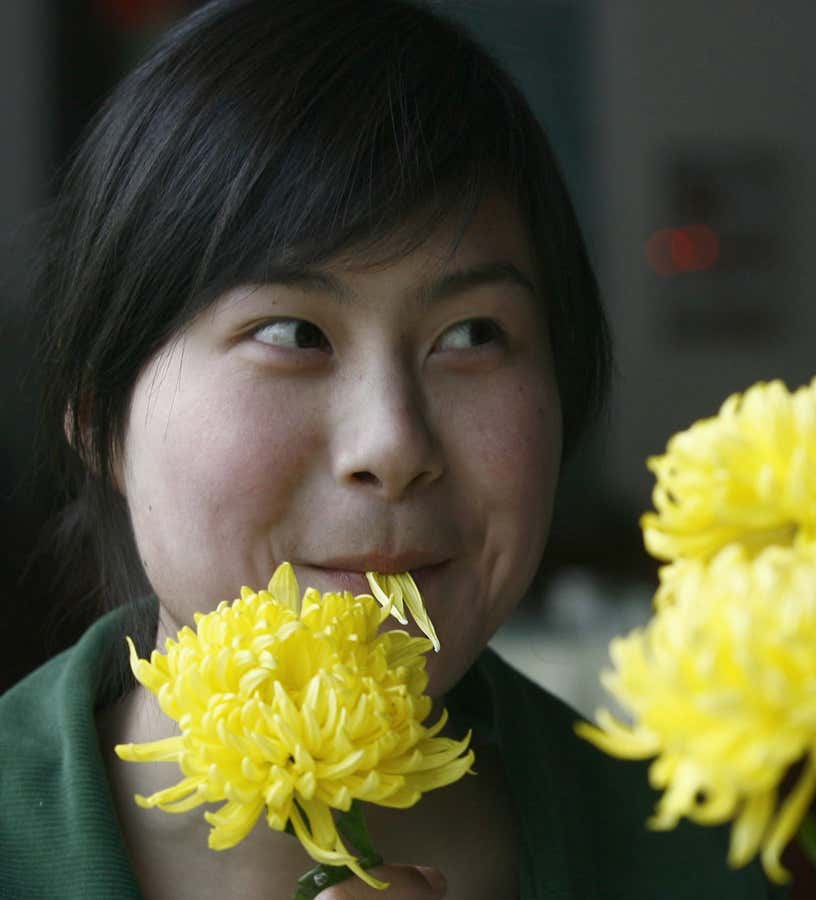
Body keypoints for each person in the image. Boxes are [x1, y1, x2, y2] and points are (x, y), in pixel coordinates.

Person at [0, 1, 775, 897]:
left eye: (473, 334)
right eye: (293, 332)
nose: (394, 445)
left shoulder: (684, 862)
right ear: (98, 418)